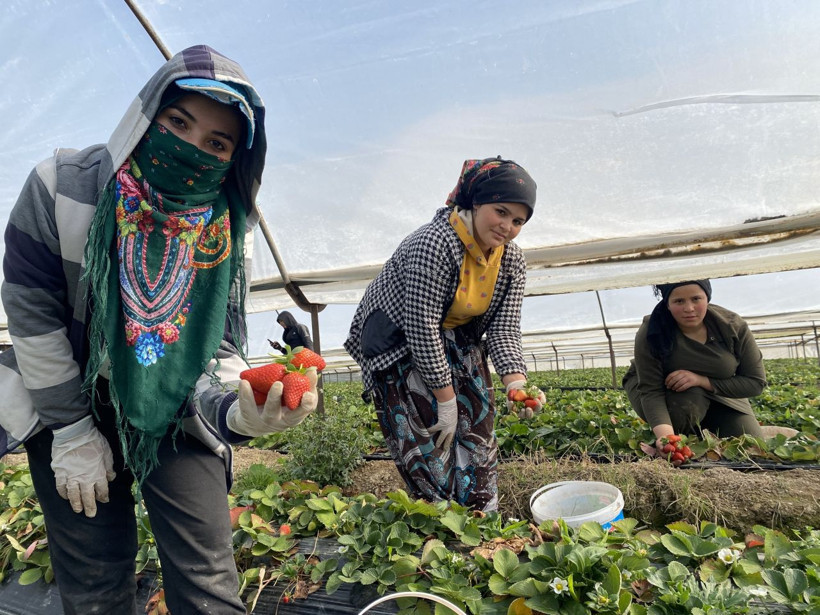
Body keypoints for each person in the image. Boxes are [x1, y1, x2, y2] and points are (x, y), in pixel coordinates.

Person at [0, 45, 318, 614]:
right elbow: (32, 316)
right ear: (147, 116)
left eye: (217, 143)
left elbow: (215, 343)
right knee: (94, 580)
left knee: (208, 578)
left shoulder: (226, 228)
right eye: (178, 122)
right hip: (63, 397)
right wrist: (71, 432)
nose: (191, 147)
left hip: (173, 403)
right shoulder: (62, 187)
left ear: (235, 158)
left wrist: (238, 412)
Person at [344, 156, 545, 512]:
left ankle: (482, 522)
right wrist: (446, 400)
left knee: (478, 432)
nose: (507, 227)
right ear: (476, 202)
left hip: (458, 340)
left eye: (518, 221)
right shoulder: (434, 243)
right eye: (500, 212)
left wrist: (517, 384)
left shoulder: (512, 260)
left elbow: (504, 327)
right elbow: (421, 326)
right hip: (400, 343)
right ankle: (440, 523)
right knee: (428, 437)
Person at [622, 280, 766, 453]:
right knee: (686, 407)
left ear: (707, 298)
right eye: (679, 301)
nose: (689, 308)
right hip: (664, 390)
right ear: (667, 303)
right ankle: (681, 431)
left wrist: (701, 380)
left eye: (696, 299)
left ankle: (703, 427)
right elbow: (651, 390)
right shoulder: (652, 331)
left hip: (720, 392)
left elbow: (756, 383)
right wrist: (666, 438)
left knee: (752, 447)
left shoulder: (733, 326)